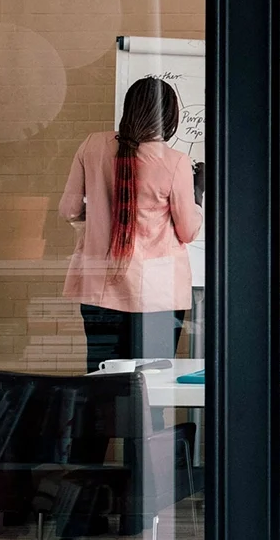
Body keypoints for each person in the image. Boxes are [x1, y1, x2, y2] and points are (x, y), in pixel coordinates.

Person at [62, 76, 200, 374]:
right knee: (153, 390)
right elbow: (188, 231)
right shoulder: (174, 161)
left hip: (100, 286)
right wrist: (198, 197)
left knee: (103, 386)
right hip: (156, 294)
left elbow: (69, 210)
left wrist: (101, 213)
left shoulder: (92, 146)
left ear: (129, 109)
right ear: (170, 116)